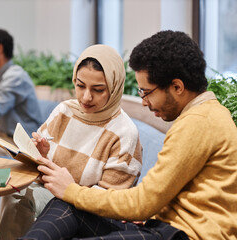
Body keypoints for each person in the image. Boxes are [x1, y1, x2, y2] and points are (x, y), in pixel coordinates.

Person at [20, 30, 237, 240]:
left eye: (146, 92)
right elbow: (163, 195)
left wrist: (71, 190)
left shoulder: (198, 123)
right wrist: (69, 192)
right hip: (163, 226)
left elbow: (143, 203)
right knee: (66, 204)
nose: (143, 101)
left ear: (177, 87)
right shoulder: (205, 115)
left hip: (184, 235)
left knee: (69, 199)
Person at [0, 44, 143, 239]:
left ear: (115, 88)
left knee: (25, 197)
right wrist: (41, 155)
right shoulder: (64, 111)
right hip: (53, 193)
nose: (86, 97)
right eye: (80, 85)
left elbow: (110, 200)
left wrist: (69, 189)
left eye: (98, 90)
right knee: (16, 191)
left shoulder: (124, 133)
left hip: (89, 212)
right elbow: (39, 171)